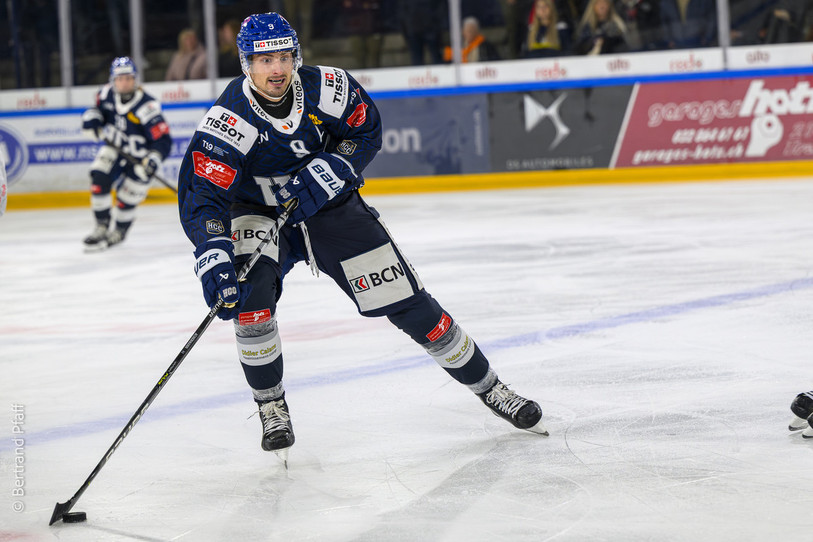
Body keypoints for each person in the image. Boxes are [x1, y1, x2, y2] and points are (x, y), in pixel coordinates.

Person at [177, 12, 547, 462]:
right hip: (257, 212)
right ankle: (271, 405)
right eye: (265, 60)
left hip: (330, 208)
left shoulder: (327, 87)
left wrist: (335, 166)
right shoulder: (228, 120)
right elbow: (204, 197)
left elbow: (365, 130)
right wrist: (214, 253)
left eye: (284, 57)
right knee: (250, 303)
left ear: (296, 57)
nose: (277, 69)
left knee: (408, 302)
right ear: (246, 64)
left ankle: (492, 388)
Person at [80, 57, 172, 251]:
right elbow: (98, 111)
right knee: (99, 178)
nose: (124, 83)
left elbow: (163, 140)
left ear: (135, 80)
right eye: (120, 79)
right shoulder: (105, 94)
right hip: (116, 149)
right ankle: (101, 226)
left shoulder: (147, 106)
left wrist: (153, 159)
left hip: (140, 159)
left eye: (129, 78)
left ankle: (120, 231)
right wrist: (92, 120)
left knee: (128, 197)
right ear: (113, 80)